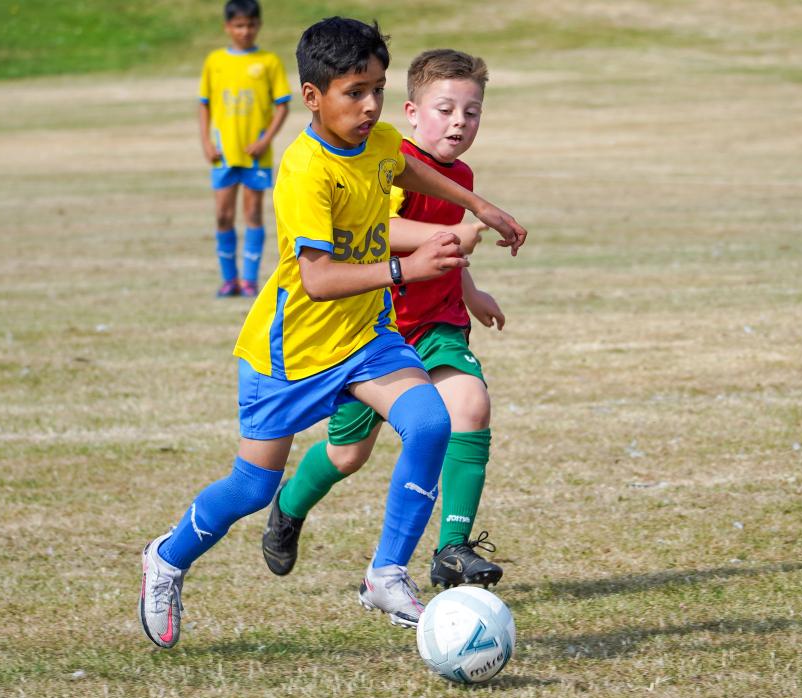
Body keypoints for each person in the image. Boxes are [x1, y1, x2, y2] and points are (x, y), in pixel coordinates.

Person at [139, 17, 526, 650]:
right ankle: (168, 557)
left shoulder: (377, 140)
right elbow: (317, 279)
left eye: (376, 88)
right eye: (355, 91)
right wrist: (408, 264)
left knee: (431, 423)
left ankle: (386, 574)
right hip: (291, 348)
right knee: (252, 487)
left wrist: (480, 206)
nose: (370, 105)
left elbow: (406, 167)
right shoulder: (304, 170)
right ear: (313, 97)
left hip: (367, 336)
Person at [261, 49, 508, 590]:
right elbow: (381, 230)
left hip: (437, 325)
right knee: (348, 454)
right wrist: (446, 236)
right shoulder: (386, 162)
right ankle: (290, 505)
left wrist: (469, 291)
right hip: (377, 332)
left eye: (471, 113)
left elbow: (443, 254)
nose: (459, 123)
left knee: (469, 404)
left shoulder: (459, 175)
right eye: (445, 110)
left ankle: (452, 549)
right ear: (411, 112)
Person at [198, 0, 291, 297]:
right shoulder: (215, 61)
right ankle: (229, 280)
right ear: (227, 27)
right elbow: (205, 105)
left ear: (258, 25)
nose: (244, 31)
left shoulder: (268, 62)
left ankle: (249, 280)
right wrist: (206, 142)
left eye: (250, 24)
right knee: (223, 216)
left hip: (255, 155)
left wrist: (265, 140)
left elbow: (282, 106)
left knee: (253, 213)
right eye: (238, 25)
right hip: (223, 154)